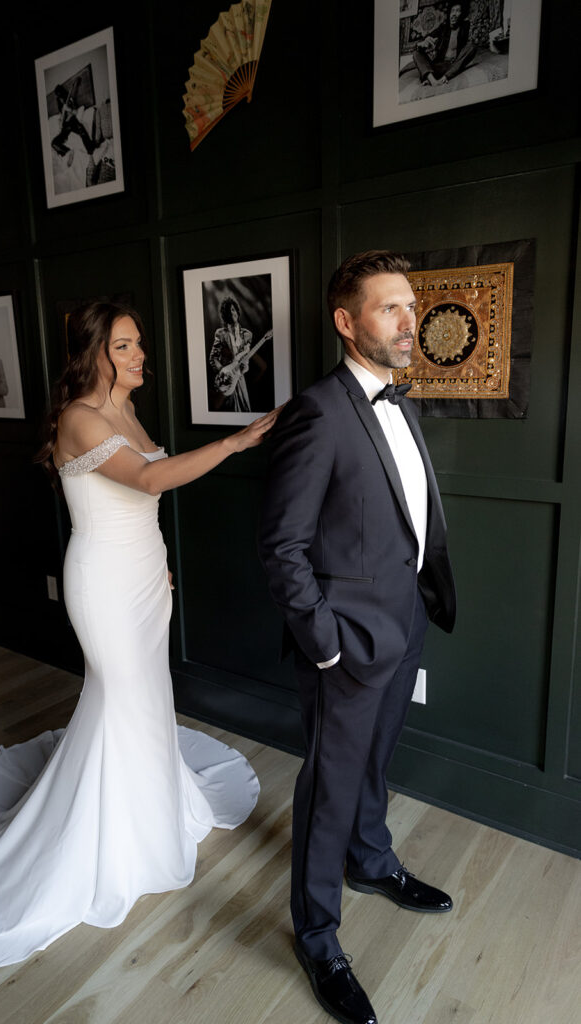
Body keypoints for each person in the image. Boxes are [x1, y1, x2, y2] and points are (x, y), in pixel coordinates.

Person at [0, 299, 278, 972]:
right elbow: (151, 476)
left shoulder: (127, 412)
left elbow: (139, 502)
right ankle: (96, 842)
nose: (140, 357)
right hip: (101, 583)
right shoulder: (79, 417)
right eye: (126, 346)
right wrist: (235, 441)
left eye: (138, 345)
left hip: (140, 576)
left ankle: (146, 815)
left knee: (144, 698)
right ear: (94, 352)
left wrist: (157, 558)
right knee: (118, 695)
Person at [258, 252, 457, 1024]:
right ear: (346, 322)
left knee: (375, 758)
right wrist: (324, 643)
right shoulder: (317, 411)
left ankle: (371, 862)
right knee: (328, 786)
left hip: (402, 622)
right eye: (388, 309)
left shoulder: (401, 403)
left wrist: (418, 601)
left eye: (411, 306)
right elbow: (281, 545)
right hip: (343, 642)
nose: (409, 321)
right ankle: (316, 934)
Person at [209, 297, 265, 412]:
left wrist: (246, 368)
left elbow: (246, 359)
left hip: (240, 379)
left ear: (237, 312)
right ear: (225, 315)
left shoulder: (247, 334)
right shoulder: (220, 333)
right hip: (225, 380)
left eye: (233, 310)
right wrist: (223, 372)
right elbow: (213, 357)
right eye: (228, 311)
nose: (231, 313)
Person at [413, 3, 477, 87]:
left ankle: (443, 77)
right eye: (452, 11)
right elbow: (423, 40)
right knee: (416, 53)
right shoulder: (442, 29)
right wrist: (422, 42)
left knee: (472, 47)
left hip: (453, 66)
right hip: (438, 66)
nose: (454, 14)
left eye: (457, 11)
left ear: (462, 14)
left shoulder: (465, 26)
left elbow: (471, 43)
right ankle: (433, 81)